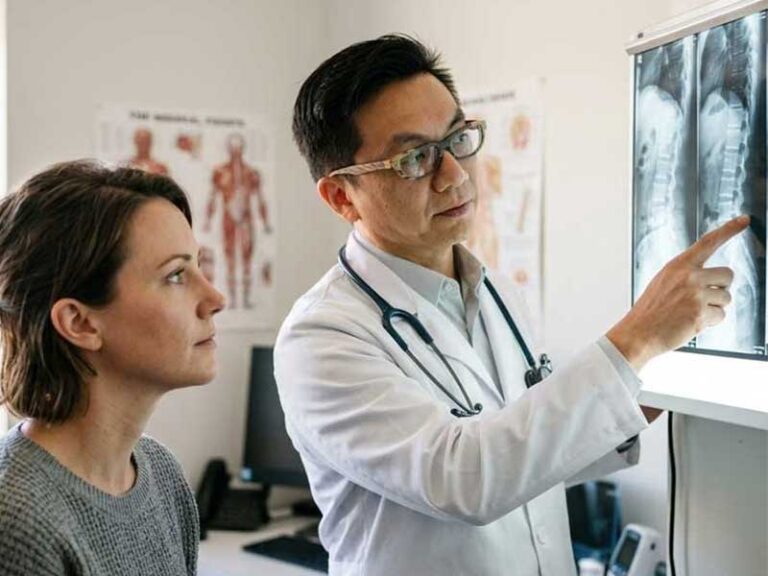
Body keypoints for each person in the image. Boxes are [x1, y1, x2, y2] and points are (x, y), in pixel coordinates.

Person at [275, 35, 746, 576]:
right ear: (341, 196)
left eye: (456, 139)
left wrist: (643, 390)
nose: (453, 175)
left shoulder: (495, 290)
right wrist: (635, 338)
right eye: (414, 159)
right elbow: (465, 478)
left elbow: (527, 455)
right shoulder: (321, 338)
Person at [0, 160, 225, 575]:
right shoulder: (16, 521)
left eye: (199, 266)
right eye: (176, 275)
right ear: (80, 322)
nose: (214, 297)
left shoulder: (161, 474)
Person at [205, 133, 273, 309]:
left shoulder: (251, 173)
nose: (235, 152)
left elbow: (260, 199)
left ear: (242, 149)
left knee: (246, 257)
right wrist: (207, 221)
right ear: (229, 149)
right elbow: (212, 197)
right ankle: (233, 299)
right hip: (228, 217)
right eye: (232, 148)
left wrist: (265, 222)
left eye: (238, 148)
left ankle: (246, 298)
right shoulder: (220, 172)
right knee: (229, 257)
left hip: (246, 218)